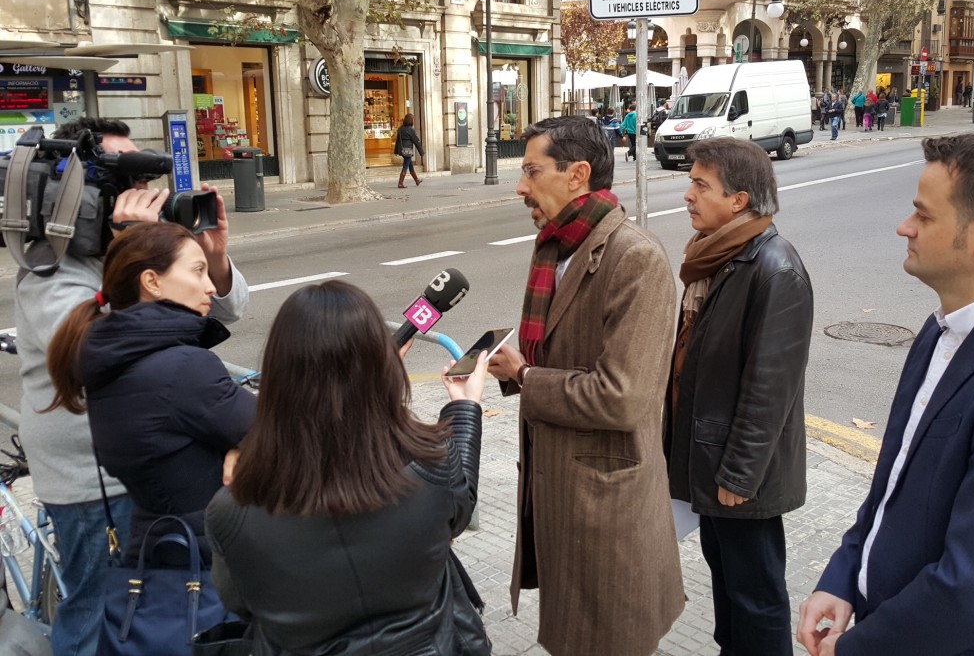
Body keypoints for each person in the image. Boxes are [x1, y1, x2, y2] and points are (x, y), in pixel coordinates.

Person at [13, 116, 248, 656]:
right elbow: (105, 353)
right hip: (90, 478)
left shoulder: (143, 256)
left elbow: (226, 310)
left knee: (165, 604)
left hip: (159, 470)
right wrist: (132, 251)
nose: (140, 195)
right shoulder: (50, 273)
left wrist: (211, 259)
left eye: (141, 181)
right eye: (122, 181)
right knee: (100, 613)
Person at [798, 133, 974, 656]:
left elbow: (972, 591)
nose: (904, 227)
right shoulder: (942, 327)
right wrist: (845, 573)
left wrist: (855, 649)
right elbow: (895, 479)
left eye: (923, 216)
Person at [487, 116, 685, 656]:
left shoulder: (635, 258)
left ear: (577, 174)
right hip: (558, 494)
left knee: (607, 638)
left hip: (607, 507)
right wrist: (516, 368)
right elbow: (554, 346)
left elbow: (622, 398)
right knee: (571, 634)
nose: (520, 185)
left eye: (531, 170)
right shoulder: (551, 247)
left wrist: (524, 377)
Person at [206, 280, 488, 654]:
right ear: (380, 370)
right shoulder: (432, 466)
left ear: (278, 374)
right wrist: (465, 408)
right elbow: (459, 507)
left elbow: (240, 602)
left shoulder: (230, 513)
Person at [664, 138, 812, 656]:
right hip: (713, 463)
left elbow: (770, 389)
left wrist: (739, 476)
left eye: (701, 185)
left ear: (740, 200)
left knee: (757, 598)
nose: (688, 195)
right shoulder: (718, 258)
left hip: (740, 476)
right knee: (729, 590)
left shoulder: (775, 268)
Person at [46, 222, 256, 570]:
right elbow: (281, 433)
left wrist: (241, 443)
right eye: (198, 270)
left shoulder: (113, 361)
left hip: (160, 551)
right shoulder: (183, 367)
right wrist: (245, 443)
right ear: (152, 282)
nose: (209, 286)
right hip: (211, 564)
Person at [394, 112, 424, 188]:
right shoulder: (411, 129)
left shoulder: (400, 129)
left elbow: (397, 140)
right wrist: (421, 152)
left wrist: (396, 151)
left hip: (402, 150)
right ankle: (400, 183)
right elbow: (416, 141)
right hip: (408, 150)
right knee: (405, 166)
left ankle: (417, 180)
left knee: (410, 166)